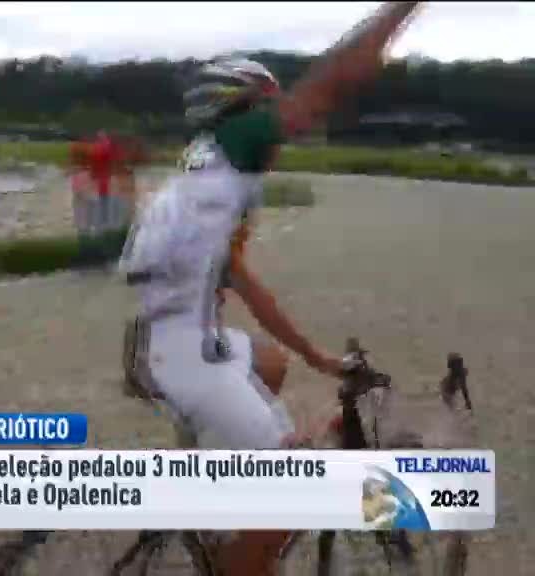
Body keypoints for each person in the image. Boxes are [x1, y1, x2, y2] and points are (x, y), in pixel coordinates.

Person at [119, 4, 420, 574]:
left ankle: (231, 491)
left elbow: (240, 278)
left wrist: (316, 356)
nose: (278, 130)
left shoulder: (208, 171)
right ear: (244, 109)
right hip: (182, 354)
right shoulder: (238, 141)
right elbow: (332, 82)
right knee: (294, 488)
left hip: (171, 340)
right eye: (268, 109)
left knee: (272, 365)